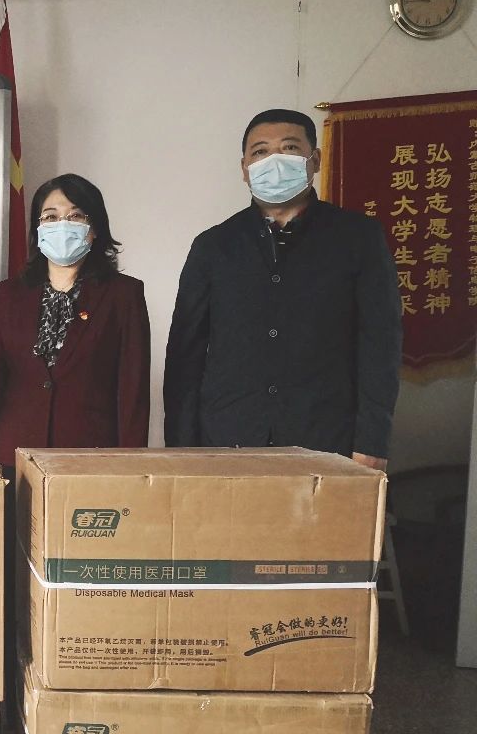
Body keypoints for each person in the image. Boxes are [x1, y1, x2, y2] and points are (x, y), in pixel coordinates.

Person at [164, 108, 401, 469]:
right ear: (245, 168)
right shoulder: (213, 247)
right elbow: (186, 355)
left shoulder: (358, 238)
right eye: (260, 152)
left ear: (314, 160)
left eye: (289, 148)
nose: (274, 160)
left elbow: (380, 345)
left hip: (327, 440)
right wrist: (181, 448)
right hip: (227, 439)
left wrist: (372, 442)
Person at [0, 173, 150, 465]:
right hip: (15, 456)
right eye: (50, 217)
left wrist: (129, 469)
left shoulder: (123, 295)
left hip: (90, 460)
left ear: (94, 228)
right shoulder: (10, 294)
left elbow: (132, 394)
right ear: (38, 229)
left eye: (75, 216)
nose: (62, 225)